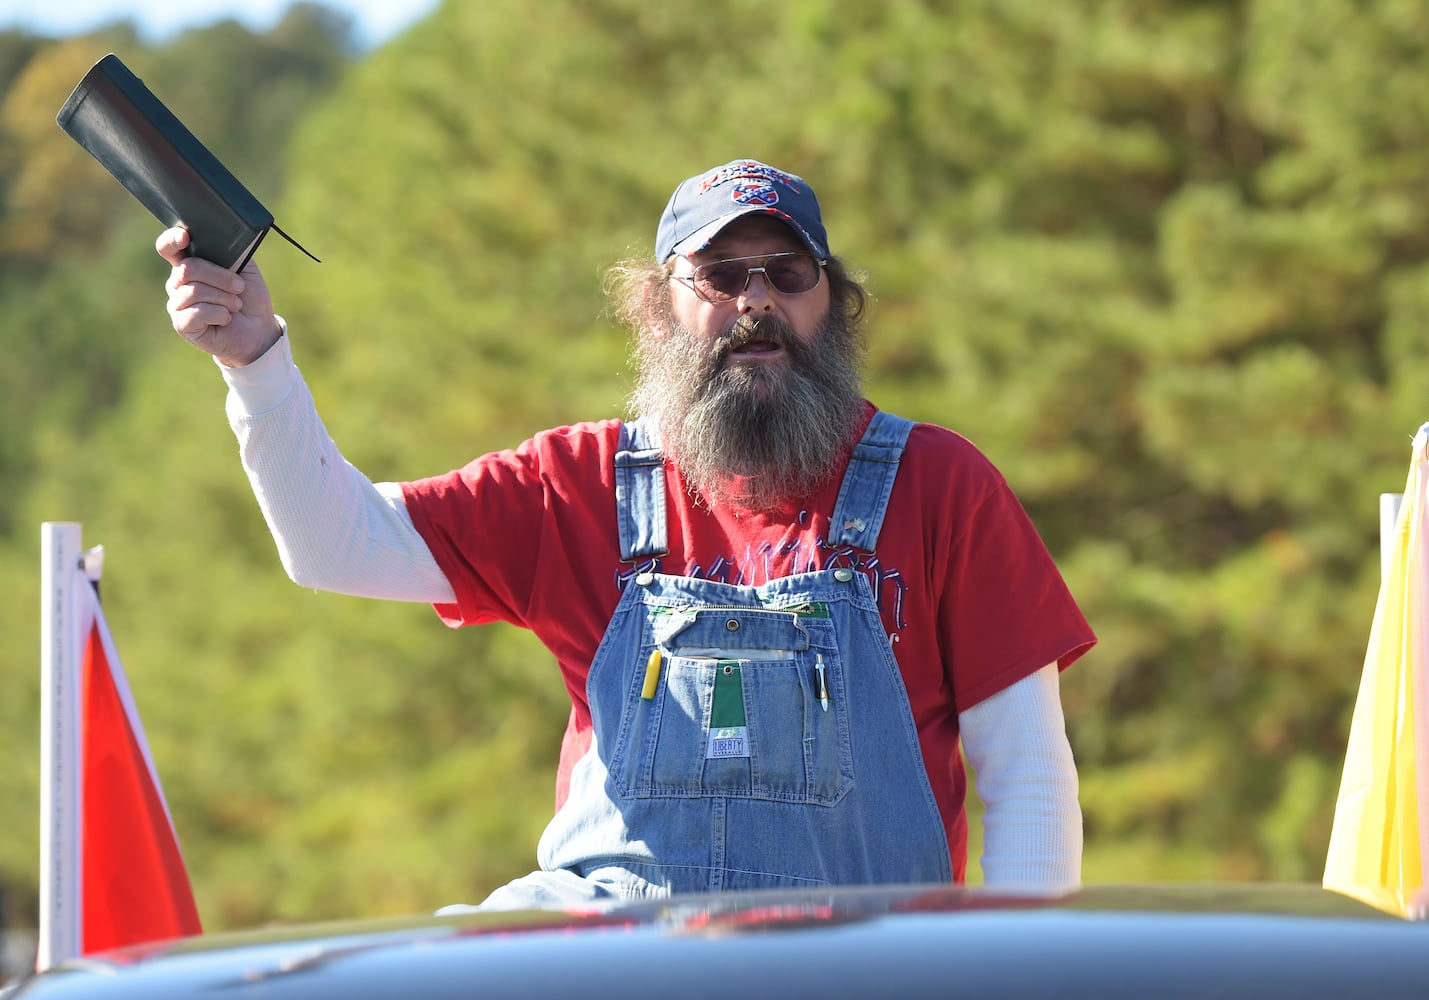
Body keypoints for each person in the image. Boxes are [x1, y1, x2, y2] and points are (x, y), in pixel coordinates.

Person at [158, 158, 1097, 909]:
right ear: (659, 308)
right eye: (720, 275)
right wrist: (256, 364)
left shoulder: (940, 486)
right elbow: (335, 545)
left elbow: (1028, 780)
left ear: (833, 303)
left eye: (788, 273)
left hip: (862, 964)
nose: (755, 301)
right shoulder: (575, 483)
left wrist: (1016, 971)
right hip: (612, 956)